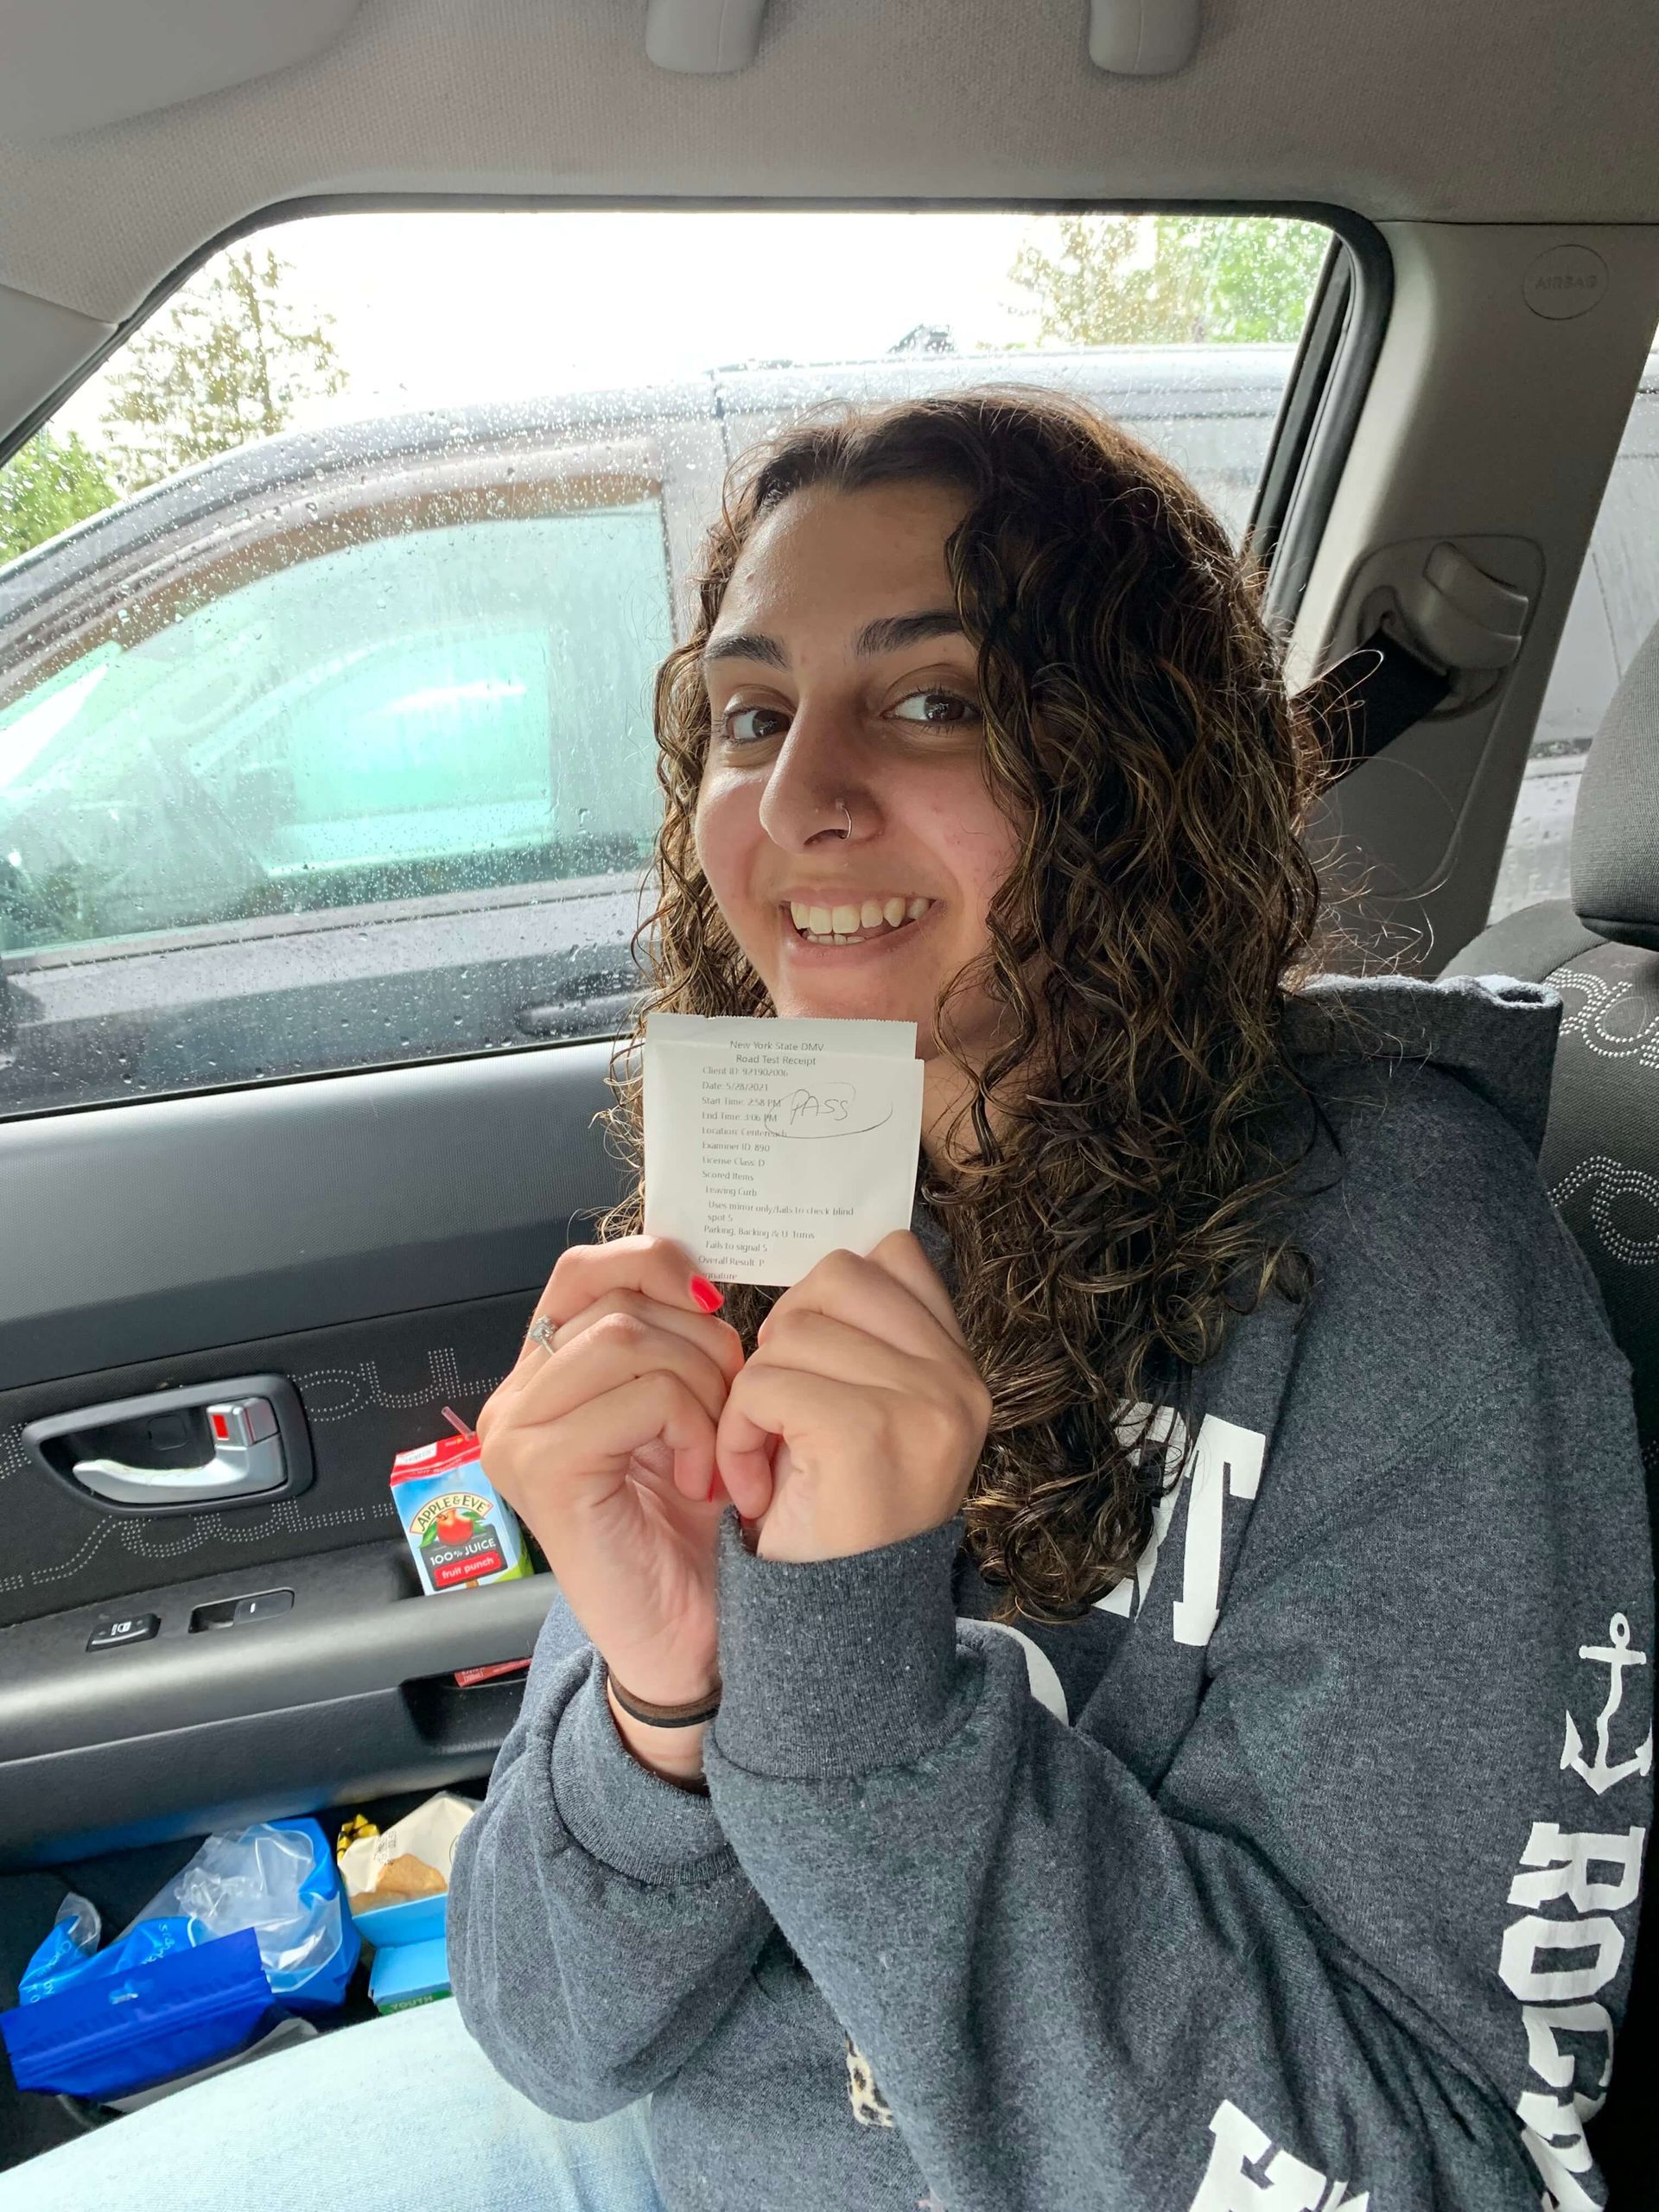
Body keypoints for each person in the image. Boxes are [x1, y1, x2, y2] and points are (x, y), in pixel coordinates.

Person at [7, 391, 1649, 2212]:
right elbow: (555, 2033)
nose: (795, 799)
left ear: (1131, 762)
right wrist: (659, 1701)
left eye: (932, 698)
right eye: (752, 715)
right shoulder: (790, 1170)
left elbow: (1429, 2174)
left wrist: (863, 1705)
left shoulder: (1400, 1254)